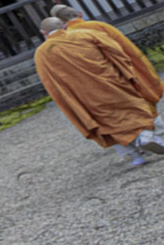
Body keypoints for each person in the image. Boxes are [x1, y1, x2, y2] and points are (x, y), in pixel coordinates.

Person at [34, 16, 164, 166]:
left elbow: (50, 82)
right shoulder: (87, 34)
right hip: (112, 83)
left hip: (84, 95)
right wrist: (127, 74)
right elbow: (118, 53)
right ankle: (146, 136)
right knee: (134, 110)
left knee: (107, 124)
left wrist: (69, 99)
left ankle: (135, 155)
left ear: (43, 32)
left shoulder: (42, 54)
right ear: (64, 27)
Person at [50, 4, 164, 114]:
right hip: (126, 70)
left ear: (60, 23)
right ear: (80, 14)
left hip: (102, 81)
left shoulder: (65, 39)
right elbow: (128, 49)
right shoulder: (100, 26)